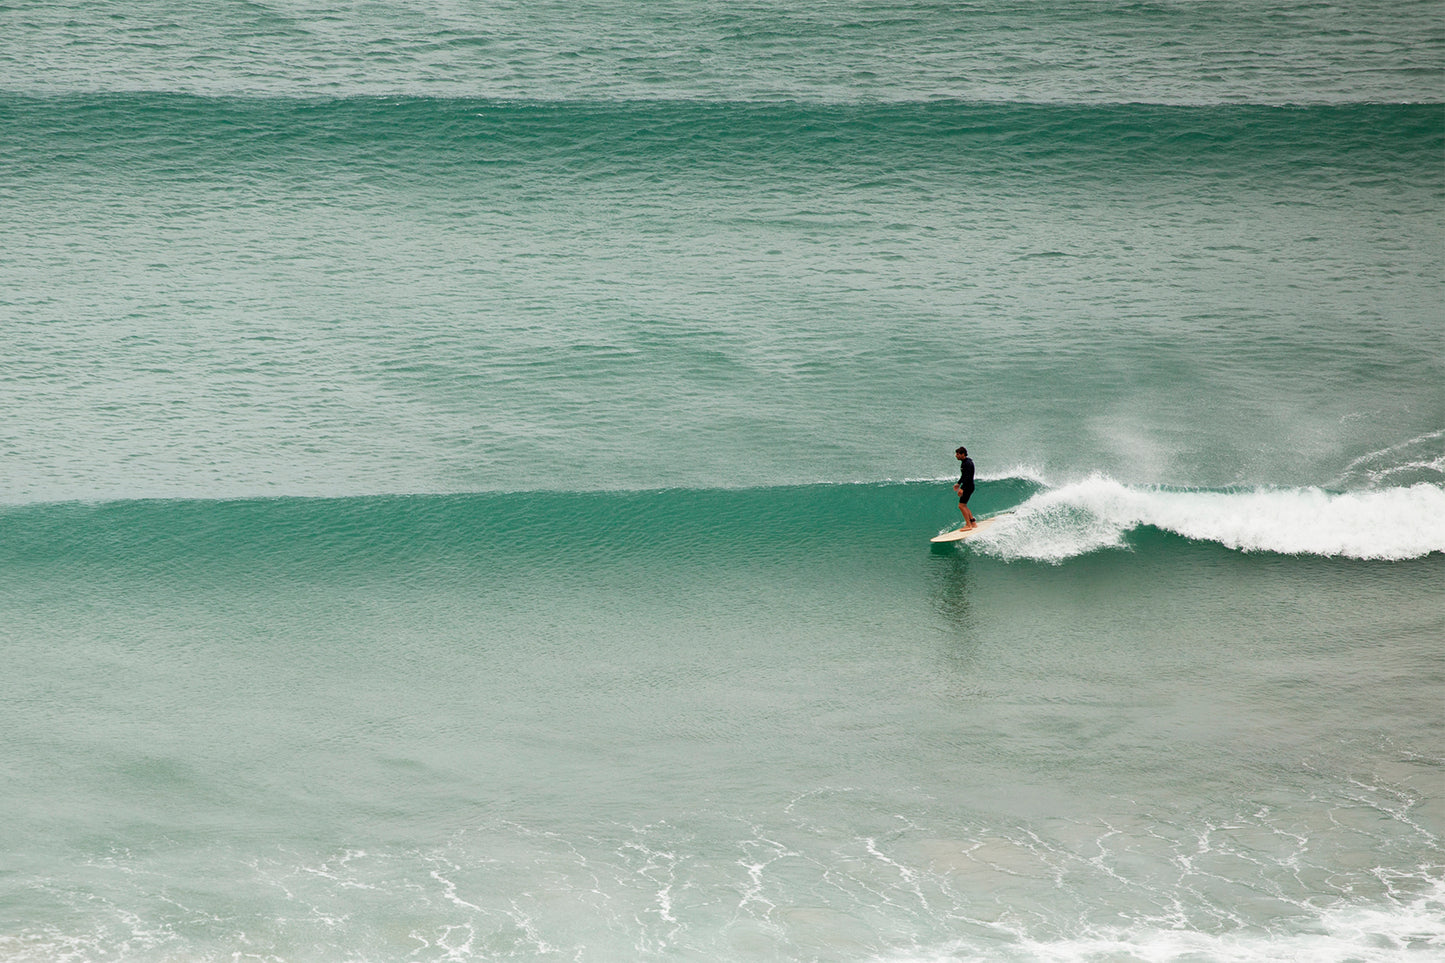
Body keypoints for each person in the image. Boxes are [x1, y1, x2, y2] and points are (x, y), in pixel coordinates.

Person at [953, 446, 977, 529]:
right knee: (964, 505)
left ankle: (968, 525)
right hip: (969, 486)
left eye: (957, 454)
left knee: (961, 506)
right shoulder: (965, 462)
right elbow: (964, 475)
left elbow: (968, 477)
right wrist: (958, 483)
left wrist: (962, 488)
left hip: (968, 486)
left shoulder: (967, 463)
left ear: (963, 454)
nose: (956, 455)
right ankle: (973, 523)